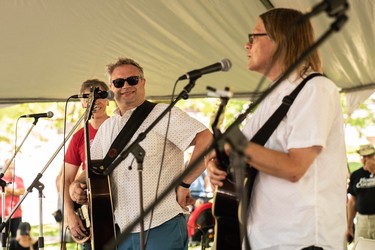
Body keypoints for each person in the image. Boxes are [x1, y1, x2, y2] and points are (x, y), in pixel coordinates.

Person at [206, 8, 347, 250]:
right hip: (262, 237)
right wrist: (216, 163)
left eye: (254, 36)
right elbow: (247, 154)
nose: (246, 45)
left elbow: (294, 167)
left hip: (300, 240)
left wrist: (234, 145)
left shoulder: (316, 88)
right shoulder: (269, 99)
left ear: (280, 40)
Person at [69, 57, 212, 249]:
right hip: (120, 230)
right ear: (111, 87)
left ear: (143, 82)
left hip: (162, 225)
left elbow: (207, 140)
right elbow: (93, 171)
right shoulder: (107, 127)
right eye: (119, 82)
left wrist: (184, 183)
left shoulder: (163, 114)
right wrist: (75, 186)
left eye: (133, 80)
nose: (126, 86)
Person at [59, 79, 110, 249]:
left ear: (108, 100)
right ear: (82, 103)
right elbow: (63, 179)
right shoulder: (79, 136)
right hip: (92, 214)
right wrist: (70, 214)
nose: (94, 101)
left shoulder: (119, 128)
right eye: (88, 97)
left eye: (99, 95)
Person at [346, 144, 375, 243]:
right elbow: (352, 201)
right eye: (364, 156)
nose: (367, 159)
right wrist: (349, 226)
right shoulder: (356, 175)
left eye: (370, 156)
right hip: (362, 220)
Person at [0, 159, 25, 240]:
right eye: (9, 165)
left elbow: (22, 191)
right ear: (4, 166)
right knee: (2, 240)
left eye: (12, 165)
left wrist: (7, 190)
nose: (11, 167)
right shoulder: (1, 179)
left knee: (16, 239)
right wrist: (14, 191)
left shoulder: (18, 179)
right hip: (2, 215)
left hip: (16, 214)